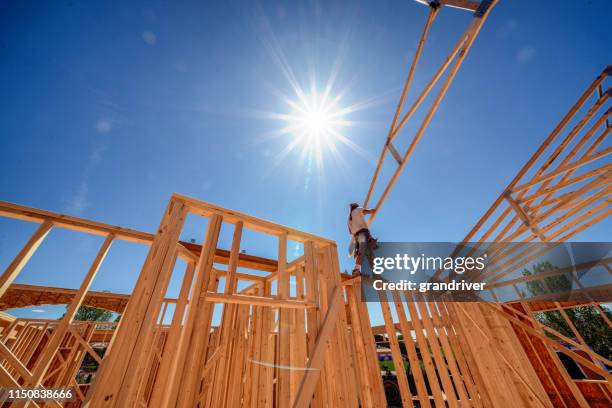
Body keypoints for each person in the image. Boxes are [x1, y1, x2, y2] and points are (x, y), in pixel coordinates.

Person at [348, 203, 377, 276]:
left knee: (365, 253)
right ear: (356, 206)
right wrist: (373, 210)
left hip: (357, 237)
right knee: (366, 252)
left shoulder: (349, 218)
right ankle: (356, 270)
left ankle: (374, 273)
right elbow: (368, 211)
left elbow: (350, 232)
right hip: (363, 234)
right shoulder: (358, 209)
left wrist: (356, 223)